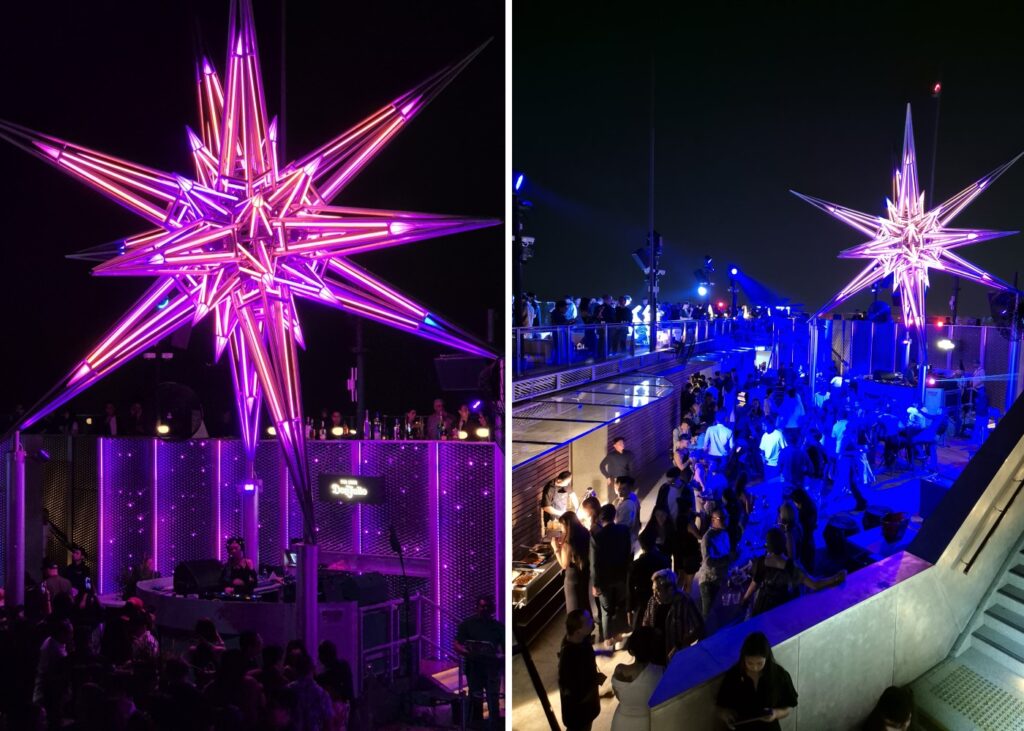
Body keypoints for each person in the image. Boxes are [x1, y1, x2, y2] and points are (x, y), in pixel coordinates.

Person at [741, 528, 845, 617]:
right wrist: (835, 578)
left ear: (768, 546)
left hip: (762, 608)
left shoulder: (761, 562)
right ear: (784, 544)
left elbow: (754, 584)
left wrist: (745, 599)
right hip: (781, 610)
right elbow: (814, 585)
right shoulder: (791, 567)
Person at [716, 631, 798, 730]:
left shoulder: (779, 675)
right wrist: (725, 716)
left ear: (766, 658)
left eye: (759, 663)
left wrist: (775, 714)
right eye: (750, 663)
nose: (754, 668)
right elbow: (720, 707)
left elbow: (789, 706)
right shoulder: (733, 676)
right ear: (743, 658)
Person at [454, 596, 504, 730]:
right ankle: (476, 726)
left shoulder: (498, 627)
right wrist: (467, 652)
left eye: (487, 607)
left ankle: (493, 726)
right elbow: (457, 644)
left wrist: (499, 656)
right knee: (475, 698)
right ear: (476, 607)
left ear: (491, 609)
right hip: (474, 667)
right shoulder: (467, 624)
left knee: (493, 699)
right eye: (482, 606)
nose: (484, 609)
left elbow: (504, 649)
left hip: (492, 668)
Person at [590, 505, 632, 650]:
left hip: (604, 580)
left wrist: (595, 584)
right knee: (620, 605)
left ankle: (608, 639)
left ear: (601, 519)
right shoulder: (624, 530)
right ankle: (619, 635)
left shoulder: (597, 537)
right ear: (614, 516)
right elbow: (628, 552)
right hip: (621, 575)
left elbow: (594, 563)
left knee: (606, 610)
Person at [610, 626, 666, 731]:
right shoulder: (661, 672)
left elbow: (619, 696)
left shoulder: (620, 670)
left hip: (621, 722)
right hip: (646, 722)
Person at [641, 569, 704, 659]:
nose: (654, 595)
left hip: (678, 658)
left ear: (670, 589)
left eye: (658, 590)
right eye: (653, 590)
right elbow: (645, 623)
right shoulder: (652, 601)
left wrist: (681, 645)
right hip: (655, 658)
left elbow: (699, 628)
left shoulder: (684, 601)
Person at [557, 609, 604, 731]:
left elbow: (585, 654)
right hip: (578, 715)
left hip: (587, 709)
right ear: (578, 631)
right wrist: (595, 680)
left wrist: (601, 652)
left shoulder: (580, 639)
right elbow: (574, 691)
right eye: (588, 621)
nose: (592, 621)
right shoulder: (569, 658)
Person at [551, 512, 592, 613]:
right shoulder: (585, 532)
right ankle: (587, 625)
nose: (561, 529)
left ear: (567, 526)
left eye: (562, 526)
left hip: (572, 579)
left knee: (574, 608)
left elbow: (564, 565)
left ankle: (577, 627)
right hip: (584, 573)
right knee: (583, 602)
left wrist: (556, 549)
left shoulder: (568, 542)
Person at [629, 532, 671, 630]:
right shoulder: (664, 560)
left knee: (641, 628)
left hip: (641, 600)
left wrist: (629, 608)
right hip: (661, 598)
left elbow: (630, 587)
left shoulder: (635, 565)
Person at [697, 508, 734, 619]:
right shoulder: (707, 538)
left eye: (726, 518)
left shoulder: (724, 533)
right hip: (709, 581)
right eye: (722, 519)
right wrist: (728, 560)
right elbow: (708, 562)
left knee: (720, 612)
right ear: (713, 520)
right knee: (708, 615)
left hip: (720, 579)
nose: (726, 521)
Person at [287, 651, 334, 731]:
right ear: (312, 669)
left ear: (295, 669)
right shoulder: (322, 694)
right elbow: (328, 724)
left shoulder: (288, 690)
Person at [599, 438, 635, 503]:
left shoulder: (628, 454)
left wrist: (631, 478)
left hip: (625, 480)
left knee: (625, 497)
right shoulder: (611, 456)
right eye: (620, 443)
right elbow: (602, 466)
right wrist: (607, 477)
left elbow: (631, 467)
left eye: (622, 443)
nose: (622, 445)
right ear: (614, 446)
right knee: (613, 498)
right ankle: (612, 510)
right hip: (614, 480)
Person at [613, 476, 641, 551]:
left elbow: (623, 526)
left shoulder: (628, 504)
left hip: (626, 541)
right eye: (619, 489)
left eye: (623, 489)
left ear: (629, 489)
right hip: (630, 539)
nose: (620, 491)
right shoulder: (630, 497)